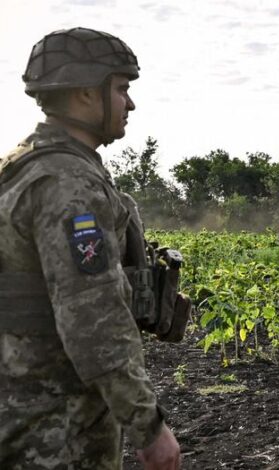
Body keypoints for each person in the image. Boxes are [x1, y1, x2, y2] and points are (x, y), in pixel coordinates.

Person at [0, 28, 181, 469]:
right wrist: (147, 426)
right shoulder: (68, 184)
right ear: (85, 92)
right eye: (121, 89)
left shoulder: (25, 165)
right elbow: (92, 317)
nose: (130, 103)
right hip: (56, 429)